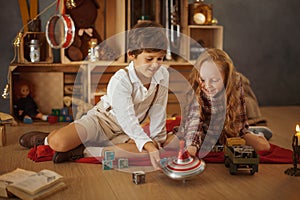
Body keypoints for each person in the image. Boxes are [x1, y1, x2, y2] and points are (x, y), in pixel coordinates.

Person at [19, 21, 174, 170]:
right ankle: (46, 139)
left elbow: (158, 109)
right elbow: (127, 118)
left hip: (125, 133)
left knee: (145, 153)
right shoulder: (121, 80)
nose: (155, 65)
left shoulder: (162, 75)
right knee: (59, 142)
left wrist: (157, 143)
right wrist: (148, 144)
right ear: (131, 55)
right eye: (149, 59)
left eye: (159, 58)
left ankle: (80, 151)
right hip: (101, 121)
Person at [178, 48, 271, 157]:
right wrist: (192, 146)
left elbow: (236, 126)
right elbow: (195, 125)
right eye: (203, 80)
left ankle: (256, 132)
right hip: (202, 131)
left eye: (214, 80)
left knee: (264, 147)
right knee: (177, 144)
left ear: (227, 78)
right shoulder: (195, 87)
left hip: (228, 129)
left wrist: (230, 138)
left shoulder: (235, 83)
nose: (207, 85)